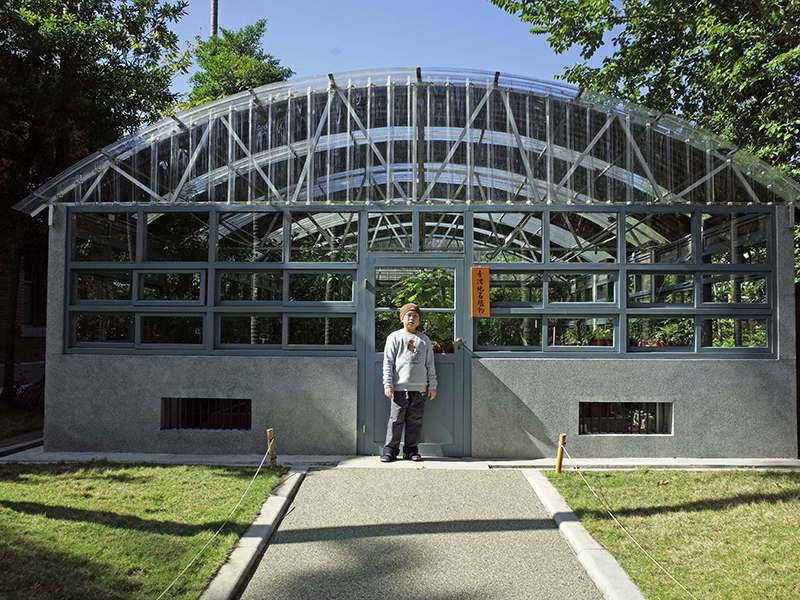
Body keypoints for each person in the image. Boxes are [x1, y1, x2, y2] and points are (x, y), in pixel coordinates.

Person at [380, 302, 437, 463]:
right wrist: (388, 384)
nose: (411, 318)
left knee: (415, 420)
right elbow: (388, 362)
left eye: (415, 316)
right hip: (399, 388)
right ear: (402, 318)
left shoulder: (424, 339)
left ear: (419, 320)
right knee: (396, 419)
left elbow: (430, 364)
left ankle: (411, 450)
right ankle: (390, 450)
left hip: (419, 388)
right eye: (408, 315)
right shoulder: (395, 337)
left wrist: (432, 385)